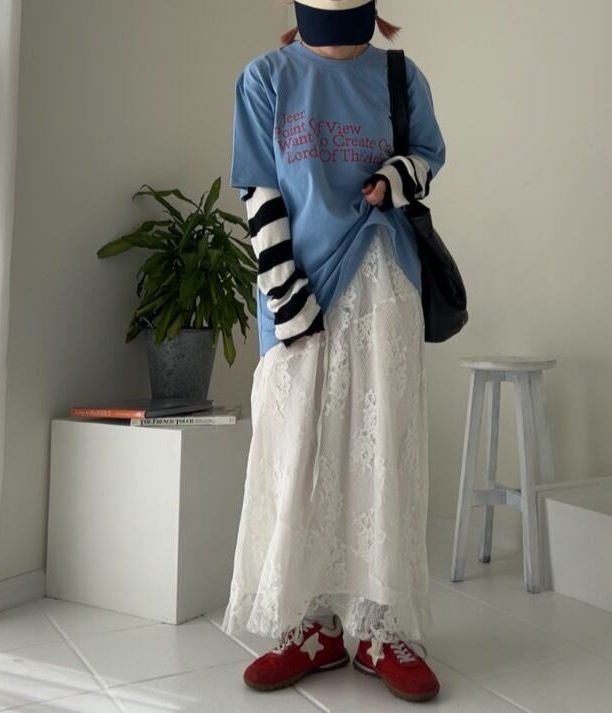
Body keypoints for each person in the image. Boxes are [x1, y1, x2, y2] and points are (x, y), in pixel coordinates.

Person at [221, 0, 446, 703]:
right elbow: (259, 189)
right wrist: (285, 296)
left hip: (382, 280)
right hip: (297, 290)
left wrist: (398, 176)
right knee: (297, 454)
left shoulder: (401, 76)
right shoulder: (266, 78)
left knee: (381, 451)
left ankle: (380, 627)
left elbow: (429, 157)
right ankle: (310, 625)